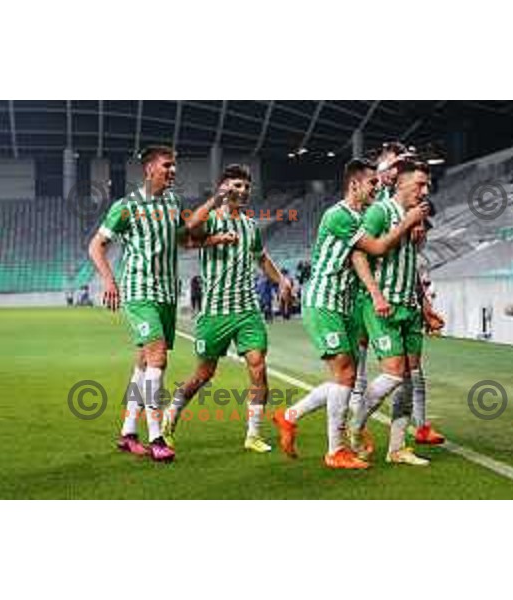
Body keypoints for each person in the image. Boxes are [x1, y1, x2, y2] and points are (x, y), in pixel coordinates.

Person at [273, 158, 429, 469]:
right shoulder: (338, 215)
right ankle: (336, 450)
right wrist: (408, 221)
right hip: (324, 301)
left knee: (344, 378)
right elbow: (378, 248)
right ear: (354, 184)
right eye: (372, 183)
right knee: (346, 376)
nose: (377, 187)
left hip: (345, 305)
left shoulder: (362, 215)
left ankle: (290, 416)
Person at [88, 145, 236, 463]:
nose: (173, 171)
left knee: (144, 362)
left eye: (174, 167)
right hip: (140, 292)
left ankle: (128, 432)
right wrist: (109, 280)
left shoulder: (171, 202)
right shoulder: (126, 207)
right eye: (167, 166)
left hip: (167, 293)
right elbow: (96, 246)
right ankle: (156, 436)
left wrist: (213, 238)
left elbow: (182, 239)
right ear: (149, 169)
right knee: (157, 357)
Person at [162, 164, 292, 454]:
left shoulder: (249, 226)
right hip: (215, 312)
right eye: (236, 185)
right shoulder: (212, 219)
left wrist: (282, 280)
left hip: (247, 310)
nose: (243, 191)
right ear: (223, 187)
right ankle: (172, 413)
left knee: (258, 366)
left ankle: (253, 434)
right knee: (204, 375)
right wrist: (214, 214)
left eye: (246, 187)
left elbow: (262, 259)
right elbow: (188, 232)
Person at [349, 160, 436, 465]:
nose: (425, 190)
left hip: (409, 308)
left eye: (427, 185)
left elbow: (411, 266)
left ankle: (397, 448)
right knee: (394, 373)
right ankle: (356, 425)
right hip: (383, 305)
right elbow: (359, 255)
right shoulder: (380, 211)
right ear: (400, 183)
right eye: (419, 185)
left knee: (409, 378)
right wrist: (375, 295)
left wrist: (425, 306)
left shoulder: (416, 217)